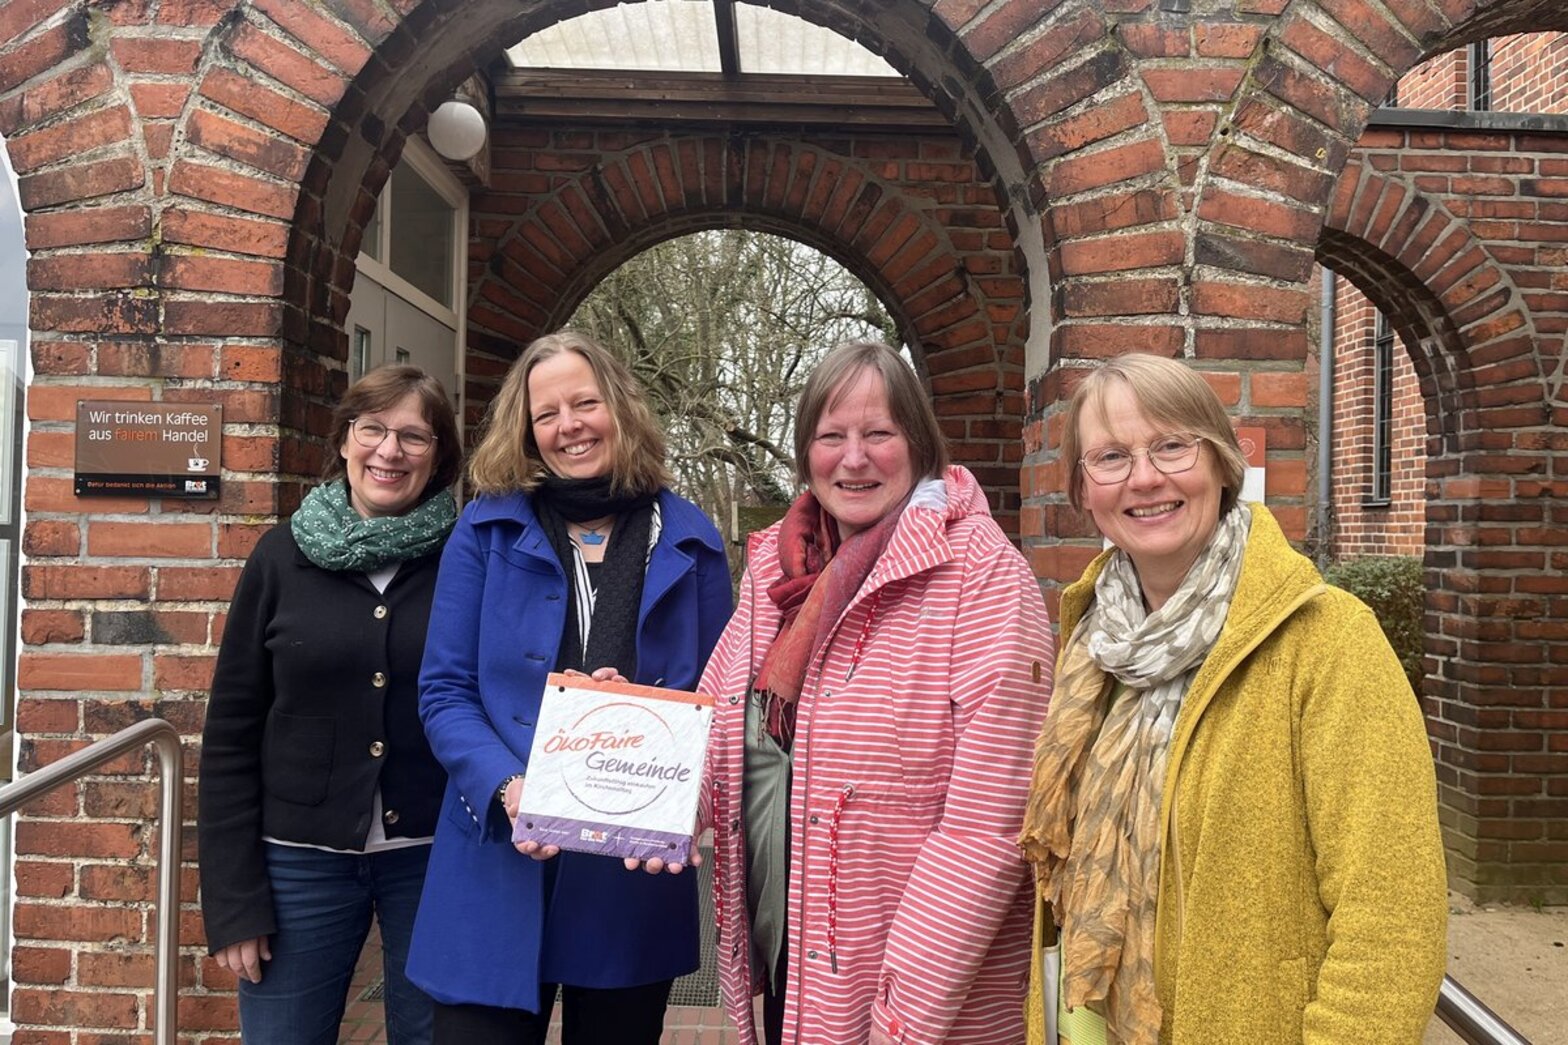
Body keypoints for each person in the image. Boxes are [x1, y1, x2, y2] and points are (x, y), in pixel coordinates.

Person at [1019, 352, 1448, 1044]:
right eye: (1111, 457)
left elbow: (1392, 921)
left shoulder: (1329, 642)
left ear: (1221, 465)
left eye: (1171, 445)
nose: (1146, 477)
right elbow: (1060, 903)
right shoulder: (1090, 649)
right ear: (1083, 490)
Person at [697, 340, 1053, 1045]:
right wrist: (624, 761)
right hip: (791, 967)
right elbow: (715, 737)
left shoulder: (983, 580)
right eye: (831, 436)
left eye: (878, 434)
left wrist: (899, 1019)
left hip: (914, 1008)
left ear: (919, 444)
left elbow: (986, 831)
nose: (852, 458)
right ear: (806, 453)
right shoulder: (777, 572)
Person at [404, 330, 733, 1044]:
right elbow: (445, 691)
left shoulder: (693, 542)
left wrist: (639, 710)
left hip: (629, 875)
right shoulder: (483, 531)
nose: (568, 425)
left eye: (584, 402)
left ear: (620, 406)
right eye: (546, 413)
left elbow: (724, 705)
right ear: (526, 431)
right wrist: (506, 784)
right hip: (496, 860)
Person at [198, 365, 463, 1045]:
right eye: (372, 428)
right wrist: (233, 902)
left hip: (434, 857)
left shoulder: (467, 558)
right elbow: (230, 732)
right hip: (297, 862)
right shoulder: (280, 558)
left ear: (438, 456)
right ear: (345, 439)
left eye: (413, 436)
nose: (389, 451)